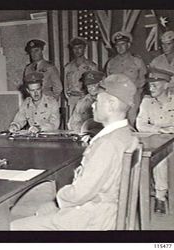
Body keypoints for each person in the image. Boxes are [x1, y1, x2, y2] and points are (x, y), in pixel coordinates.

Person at [11, 74, 138, 230]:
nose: (92, 105)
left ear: (111, 104)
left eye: (97, 101)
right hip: (105, 210)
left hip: (92, 218)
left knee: (13, 226)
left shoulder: (107, 144)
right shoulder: (127, 135)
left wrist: (58, 199)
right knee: (40, 208)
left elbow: (80, 193)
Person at [136, 67, 174, 214]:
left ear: (166, 85)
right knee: (160, 159)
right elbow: (140, 125)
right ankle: (160, 197)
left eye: (155, 84)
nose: (151, 87)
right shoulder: (146, 102)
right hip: (160, 140)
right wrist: (160, 130)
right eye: (150, 84)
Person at [106, 31, 147, 127]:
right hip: (116, 98)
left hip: (133, 98)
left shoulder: (137, 61)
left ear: (128, 45)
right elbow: (108, 82)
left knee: (132, 124)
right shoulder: (111, 63)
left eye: (122, 44)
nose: (120, 47)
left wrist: (137, 96)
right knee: (116, 124)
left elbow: (142, 80)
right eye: (117, 45)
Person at [64, 37, 97, 116]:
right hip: (72, 100)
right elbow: (65, 86)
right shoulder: (68, 67)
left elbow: (95, 86)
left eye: (80, 48)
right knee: (71, 125)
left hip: (86, 100)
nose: (77, 50)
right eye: (75, 48)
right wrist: (69, 97)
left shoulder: (91, 66)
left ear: (84, 48)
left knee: (85, 125)